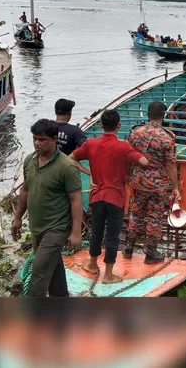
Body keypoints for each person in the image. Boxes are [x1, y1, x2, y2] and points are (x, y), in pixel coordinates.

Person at [69, 110, 149, 283]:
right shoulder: (123, 147)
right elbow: (144, 162)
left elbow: (71, 159)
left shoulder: (91, 144)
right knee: (112, 236)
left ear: (100, 125)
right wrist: (129, 166)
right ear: (118, 126)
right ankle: (108, 275)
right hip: (116, 198)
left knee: (96, 231)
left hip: (97, 196)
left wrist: (89, 173)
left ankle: (92, 264)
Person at [11, 119, 83, 297]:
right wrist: (18, 218)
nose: (37, 143)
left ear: (54, 140)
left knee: (39, 270)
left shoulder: (67, 167)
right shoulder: (30, 161)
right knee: (53, 264)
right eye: (35, 139)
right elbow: (25, 190)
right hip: (37, 226)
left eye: (42, 140)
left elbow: (76, 200)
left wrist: (76, 232)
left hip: (57, 227)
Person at [126, 101, 180, 263]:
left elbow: (128, 157)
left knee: (136, 213)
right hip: (157, 185)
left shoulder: (135, 133)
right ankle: (151, 253)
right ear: (163, 116)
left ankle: (128, 248)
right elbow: (170, 164)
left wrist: (129, 177)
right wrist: (175, 187)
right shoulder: (167, 137)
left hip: (138, 182)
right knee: (154, 217)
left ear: (148, 115)